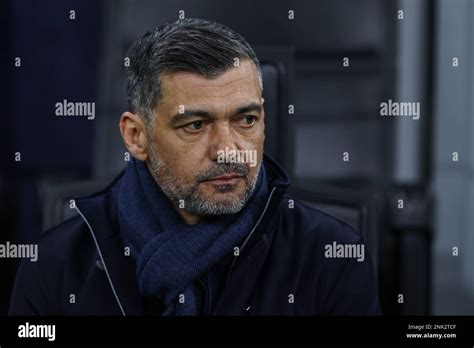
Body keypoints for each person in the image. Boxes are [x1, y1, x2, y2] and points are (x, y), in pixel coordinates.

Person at [9, 18, 381, 315]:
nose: (229, 151)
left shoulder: (329, 255)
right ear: (137, 137)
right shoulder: (55, 267)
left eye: (246, 120)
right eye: (195, 125)